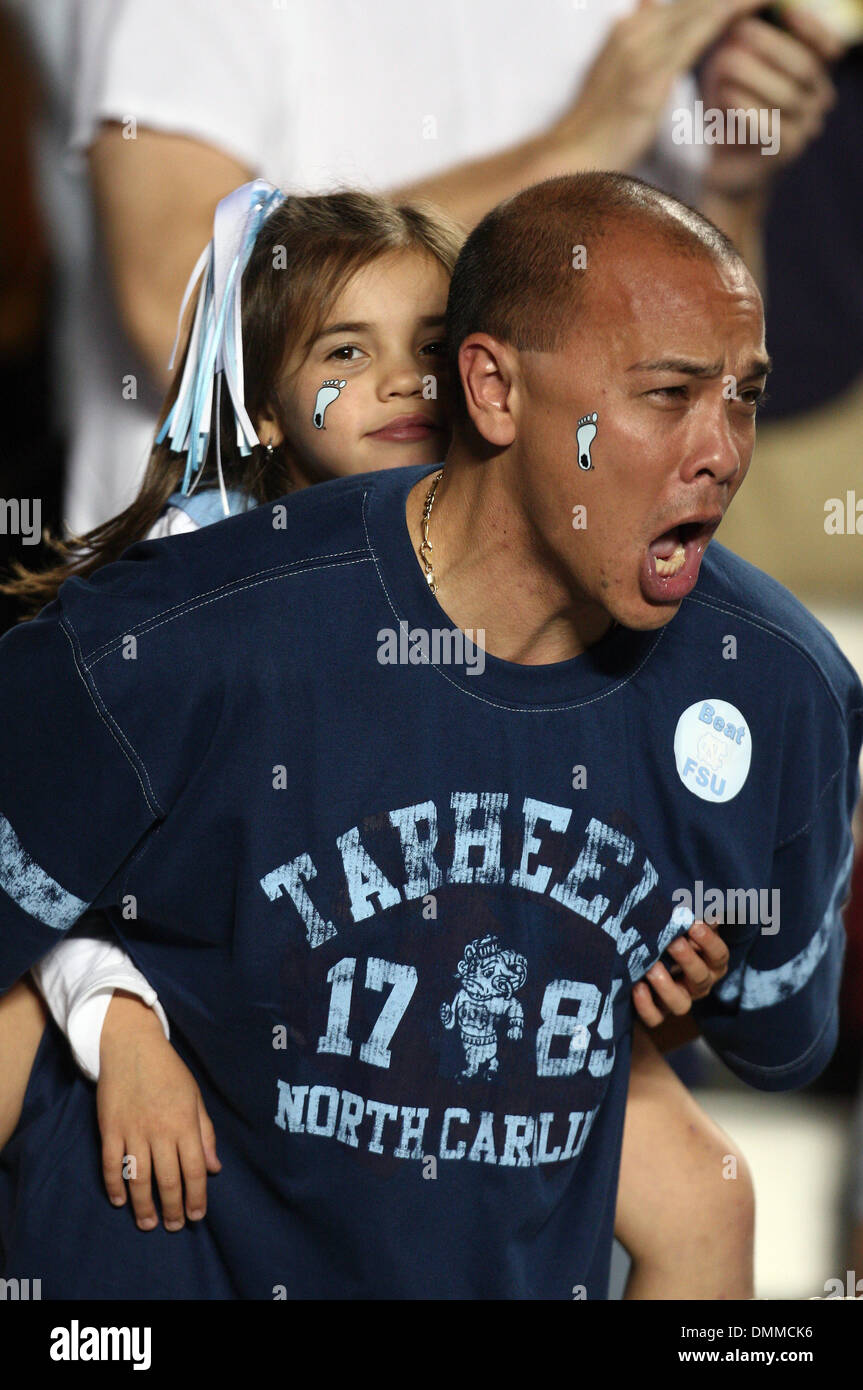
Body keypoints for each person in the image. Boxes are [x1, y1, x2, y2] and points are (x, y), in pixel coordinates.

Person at [2, 170, 853, 1300]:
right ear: (493, 390)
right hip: (133, 1244)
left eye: (741, 395)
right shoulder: (178, 626)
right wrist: (113, 1020)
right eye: (665, 394)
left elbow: (782, 1036)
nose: (721, 450)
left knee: (712, 1191)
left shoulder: (779, 686)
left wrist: (690, 988)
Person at [41, 0, 842, 535]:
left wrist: (729, 188)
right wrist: (575, 145)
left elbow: (689, 375)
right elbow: (177, 309)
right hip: (231, 626)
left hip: (532, 633)